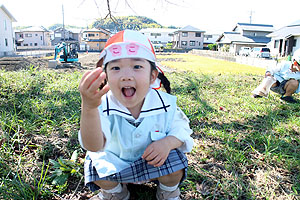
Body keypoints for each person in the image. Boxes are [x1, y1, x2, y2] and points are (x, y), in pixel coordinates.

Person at [78, 30, 194, 200]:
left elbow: (182, 129)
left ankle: (167, 191)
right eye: (116, 68)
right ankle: (116, 192)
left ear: (152, 76)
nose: (126, 76)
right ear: (106, 76)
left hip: (155, 164)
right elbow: (93, 146)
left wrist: (168, 143)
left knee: (176, 161)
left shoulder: (165, 104)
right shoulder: (101, 106)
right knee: (95, 165)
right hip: (116, 165)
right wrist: (88, 108)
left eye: (137, 66)